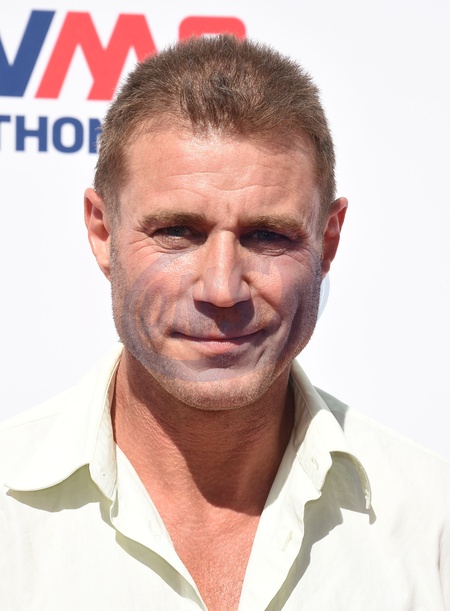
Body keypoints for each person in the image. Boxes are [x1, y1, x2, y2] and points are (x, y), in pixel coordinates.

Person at [0, 35, 449, 611]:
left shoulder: (431, 526)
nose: (221, 288)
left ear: (328, 242)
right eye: (177, 232)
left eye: (268, 235)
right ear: (102, 232)